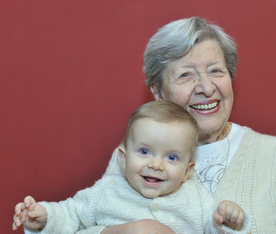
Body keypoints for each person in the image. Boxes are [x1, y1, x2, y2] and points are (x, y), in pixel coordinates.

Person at [98, 17, 276, 234]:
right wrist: (123, 231)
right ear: (158, 92)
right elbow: (80, 218)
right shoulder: (139, 155)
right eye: (186, 75)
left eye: (215, 71)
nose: (206, 88)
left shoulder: (271, 155)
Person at [12, 101, 251, 234]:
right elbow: (71, 213)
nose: (156, 164)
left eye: (172, 158)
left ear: (188, 171)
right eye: (145, 152)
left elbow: (213, 226)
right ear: (123, 158)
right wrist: (43, 217)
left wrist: (228, 220)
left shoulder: (196, 198)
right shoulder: (107, 190)